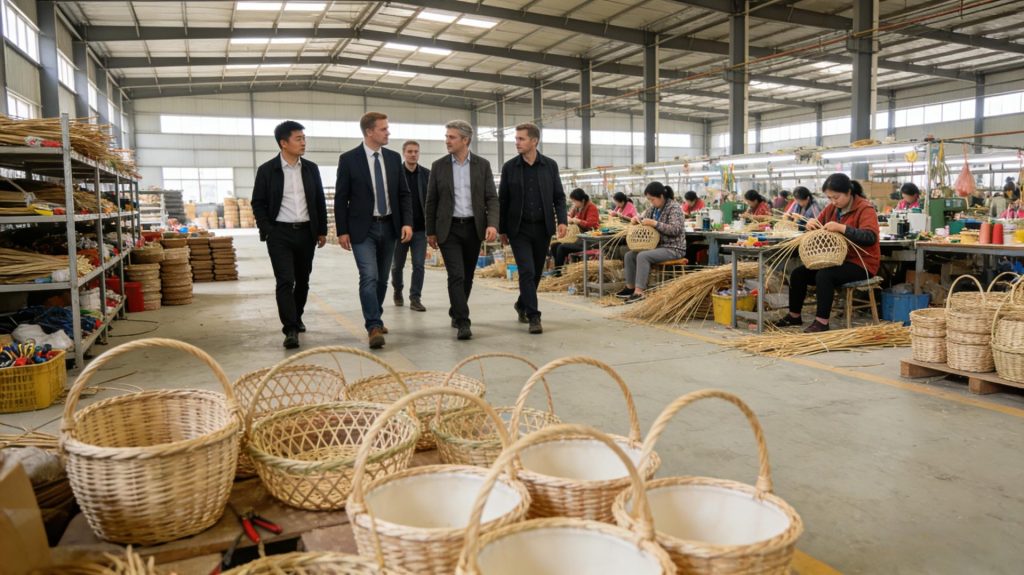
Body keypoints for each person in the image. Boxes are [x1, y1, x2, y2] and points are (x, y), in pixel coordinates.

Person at [335, 112, 413, 349]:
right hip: (362, 229)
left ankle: (375, 315)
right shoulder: (349, 159)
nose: (388, 133)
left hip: (389, 226)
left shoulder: (392, 158)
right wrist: (342, 230)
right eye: (384, 129)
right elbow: (341, 197)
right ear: (370, 132)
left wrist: (407, 222)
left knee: (381, 280)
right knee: (368, 275)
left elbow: (403, 194)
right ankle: (373, 326)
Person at [251, 121, 328, 349]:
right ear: (283, 143)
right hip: (280, 234)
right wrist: (268, 229)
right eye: (298, 139)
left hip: (306, 233)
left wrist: (321, 230)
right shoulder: (267, 170)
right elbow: (258, 203)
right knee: (285, 280)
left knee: (302, 280)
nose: (303, 143)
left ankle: (297, 315)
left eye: (304, 138)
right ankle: (290, 328)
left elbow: (319, 201)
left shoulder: (311, 168)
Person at [772, 173, 880, 333]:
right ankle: (794, 316)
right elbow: (819, 227)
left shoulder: (865, 208)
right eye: (830, 198)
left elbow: (870, 237)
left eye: (836, 197)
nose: (833, 201)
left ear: (849, 192)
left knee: (824, 275)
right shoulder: (832, 208)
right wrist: (809, 225)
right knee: (798, 274)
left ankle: (822, 322)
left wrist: (842, 228)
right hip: (836, 260)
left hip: (861, 263)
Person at [424, 120, 499, 341]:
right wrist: (430, 231)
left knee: (467, 276)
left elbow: (491, 198)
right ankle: (463, 321)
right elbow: (431, 201)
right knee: (455, 275)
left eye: (452, 137)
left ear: (465, 140)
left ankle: (456, 310)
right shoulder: (439, 166)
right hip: (449, 229)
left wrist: (492, 224)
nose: (447, 141)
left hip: (473, 228)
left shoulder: (482, 165)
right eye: (446, 136)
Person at [499, 122, 567, 335]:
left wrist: (562, 221)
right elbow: (503, 200)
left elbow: (559, 197)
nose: (516, 142)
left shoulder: (550, 166)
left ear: (534, 141)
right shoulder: (510, 168)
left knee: (536, 272)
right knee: (526, 271)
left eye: (521, 139)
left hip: (543, 228)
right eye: (516, 139)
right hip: (518, 229)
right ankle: (534, 316)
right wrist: (502, 229)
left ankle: (522, 304)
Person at [615, 182, 686, 304]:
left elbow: (676, 229)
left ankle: (639, 292)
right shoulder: (653, 208)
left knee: (643, 256)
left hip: (673, 248)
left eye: (652, 199)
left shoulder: (674, 208)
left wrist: (655, 224)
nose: (651, 202)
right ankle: (630, 287)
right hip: (657, 247)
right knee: (630, 255)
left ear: (661, 196)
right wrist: (636, 220)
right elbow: (642, 218)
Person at [391, 140, 430, 312]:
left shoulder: (426, 175)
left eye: (416, 151)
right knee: (397, 265)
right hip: (400, 230)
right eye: (410, 151)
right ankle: (397, 290)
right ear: (404, 153)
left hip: (420, 229)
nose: (413, 154)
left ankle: (415, 298)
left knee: (419, 265)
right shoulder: (395, 174)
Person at [552, 188, 600, 272]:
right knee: (554, 245)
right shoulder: (576, 208)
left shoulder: (591, 207)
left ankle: (557, 274)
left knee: (561, 248)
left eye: (575, 201)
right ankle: (559, 270)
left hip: (587, 241)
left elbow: (592, 225)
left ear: (583, 200)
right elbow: (570, 216)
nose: (574, 203)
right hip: (575, 238)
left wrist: (578, 221)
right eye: (573, 201)